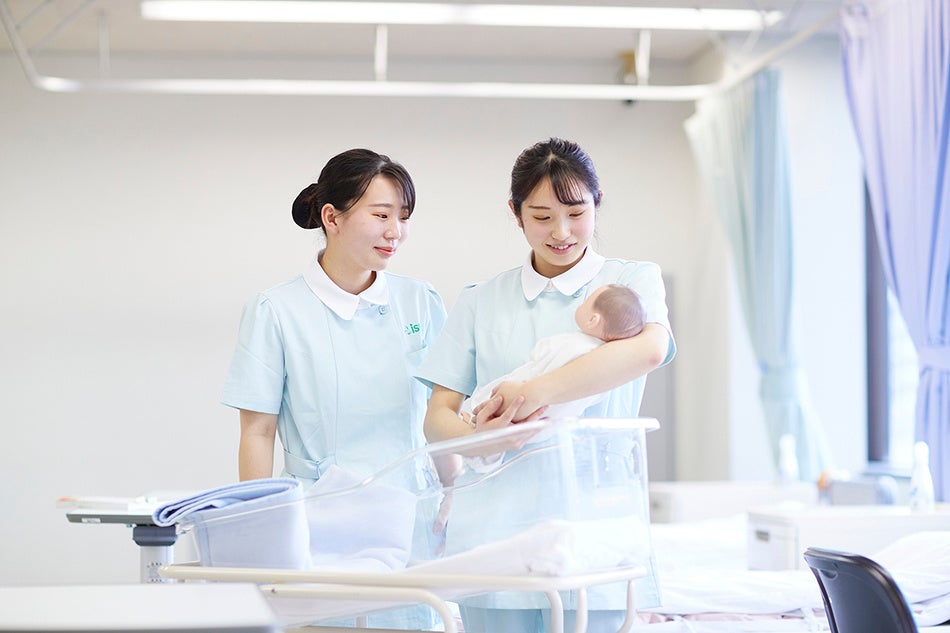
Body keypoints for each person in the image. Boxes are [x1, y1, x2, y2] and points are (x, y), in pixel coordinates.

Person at [415, 137, 675, 633]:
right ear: (516, 214)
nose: (561, 232)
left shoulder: (632, 281)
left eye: (577, 213)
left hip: (593, 530)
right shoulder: (480, 300)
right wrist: (481, 438)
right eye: (541, 216)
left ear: (597, 204)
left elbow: (648, 350)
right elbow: (436, 417)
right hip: (491, 530)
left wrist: (532, 394)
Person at [221, 148, 446, 630]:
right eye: (381, 215)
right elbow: (257, 432)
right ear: (332, 217)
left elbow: (448, 411)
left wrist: (453, 495)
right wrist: (259, 533)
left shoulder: (420, 301)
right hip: (323, 525)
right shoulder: (276, 311)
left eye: (403, 217)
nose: (395, 231)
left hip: (413, 519)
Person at [461, 283, 645, 421]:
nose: (581, 304)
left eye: (586, 302)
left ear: (592, 320)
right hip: (550, 422)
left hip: (520, 398)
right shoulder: (605, 363)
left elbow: (540, 353)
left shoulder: (573, 345)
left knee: (480, 406)